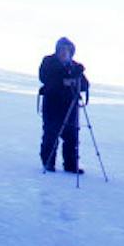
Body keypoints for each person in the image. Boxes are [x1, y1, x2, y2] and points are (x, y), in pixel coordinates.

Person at [39, 36, 90, 173]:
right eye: (62, 49)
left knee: (72, 136)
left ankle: (71, 164)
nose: (64, 52)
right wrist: (63, 82)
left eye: (67, 50)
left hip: (70, 105)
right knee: (51, 133)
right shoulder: (49, 62)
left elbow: (85, 85)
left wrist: (76, 81)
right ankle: (48, 161)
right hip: (53, 103)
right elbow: (44, 78)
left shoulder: (74, 66)